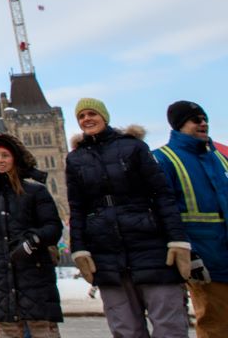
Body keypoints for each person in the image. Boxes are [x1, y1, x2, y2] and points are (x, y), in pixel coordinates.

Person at [66, 97, 191, 337]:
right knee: (125, 330)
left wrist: (177, 239)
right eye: (81, 116)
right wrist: (79, 249)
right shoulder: (75, 159)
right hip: (107, 253)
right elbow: (77, 208)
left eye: (92, 114)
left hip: (150, 247)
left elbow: (163, 195)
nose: (87, 119)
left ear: (104, 116)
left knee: (169, 326)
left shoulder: (133, 147)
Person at [0, 133, 63, 338]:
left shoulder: (35, 191)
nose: (0, 160)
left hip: (34, 276)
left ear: (15, 157)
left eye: (4, 155)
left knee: (42, 330)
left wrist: (32, 240)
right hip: (0, 280)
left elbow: (53, 228)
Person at [154, 100, 228, 338]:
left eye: (205, 118)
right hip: (206, 259)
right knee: (215, 324)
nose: (203, 123)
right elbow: (164, 211)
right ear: (179, 125)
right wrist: (187, 252)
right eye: (196, 120)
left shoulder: (220, 158)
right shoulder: (164, 159)